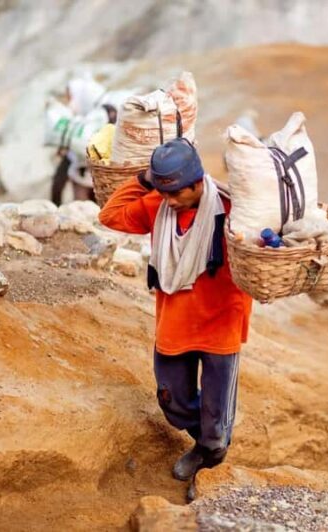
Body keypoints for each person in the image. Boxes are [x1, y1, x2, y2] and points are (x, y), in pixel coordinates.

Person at [99, 138, 253, 484]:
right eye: (163, 191)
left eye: (176, 193)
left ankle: (211, 454)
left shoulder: (233, 209)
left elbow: (269, 237)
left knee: (216, 408)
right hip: (175, 322)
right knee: (173, 401)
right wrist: (143, 180)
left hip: (221, 322)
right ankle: (210, 440)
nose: (169, 200)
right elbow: (109, 215)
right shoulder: (158, 205)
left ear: (198, 183)